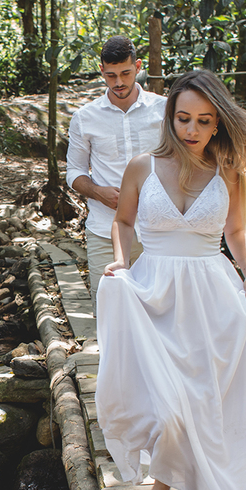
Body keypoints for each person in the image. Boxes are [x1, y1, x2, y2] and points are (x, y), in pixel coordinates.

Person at [94, 69, 246, 490]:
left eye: (203, 121)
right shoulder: (141, 166)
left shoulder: (229, 171)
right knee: (166, 400)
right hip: (154, 289)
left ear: (218, 124)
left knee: (206, 399)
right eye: (183, 119)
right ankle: (164, 479)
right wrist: (120, 263)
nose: (191, 131)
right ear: (169, 117)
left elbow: (235, 232)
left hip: (212, 294)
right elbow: (123, 222)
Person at [66, 35, 168, 309]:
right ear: (101, 71)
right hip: (104, 228)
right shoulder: (85, 117)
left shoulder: (164, 109)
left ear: (138, 66)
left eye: (125, 73)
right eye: (111, 76)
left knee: (158, 309)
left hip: (158, 228)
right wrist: (97, 192)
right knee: (109, 310)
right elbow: (74, 172)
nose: (119, 82)